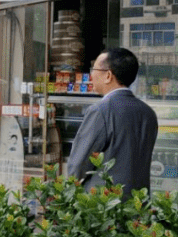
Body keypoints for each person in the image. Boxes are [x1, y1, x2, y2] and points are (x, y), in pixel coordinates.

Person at [67, 48, 158, 196]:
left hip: (104, 207)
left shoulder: (100, 111)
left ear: (108, 75)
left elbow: (78, 165)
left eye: (94, 69)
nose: (91, 75)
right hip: (138, 204)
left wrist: (69, 191)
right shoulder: (148, 113)